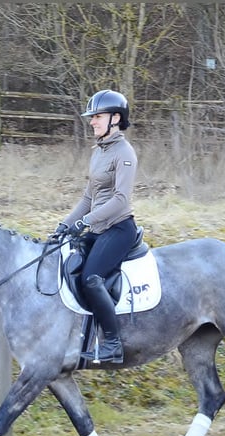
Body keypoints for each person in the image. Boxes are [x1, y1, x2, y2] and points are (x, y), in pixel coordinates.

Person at [53, 89, 139, 364]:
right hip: (98, 229)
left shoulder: (124, 153)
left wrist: (85, 223)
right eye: (92, 117)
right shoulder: (99, 152)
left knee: (92, 278)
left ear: (115, 118)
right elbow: (88, 198)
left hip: (118, 229)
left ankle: (113, 343)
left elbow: (120, 200)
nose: (92, 122)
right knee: (66, 261)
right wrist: (65, 225)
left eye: (97, 117)